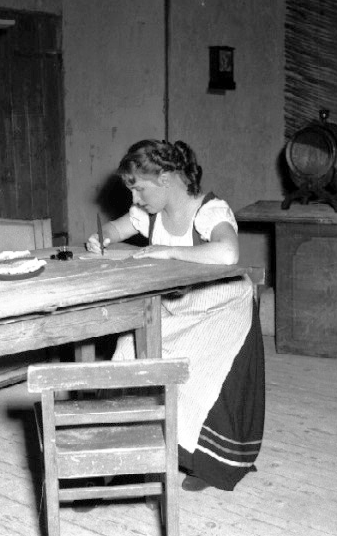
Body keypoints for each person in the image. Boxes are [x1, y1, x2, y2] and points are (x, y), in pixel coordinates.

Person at [86, 139, 265, 492]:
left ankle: (207, 464)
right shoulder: (149, 214)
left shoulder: (210, 211)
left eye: (139, 189)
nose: (134, 198)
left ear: (165, 179)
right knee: (128, 349)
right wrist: (101, 237)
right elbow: (116, 229)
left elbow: (228, 253)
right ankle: (130, 452)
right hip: (177, 304)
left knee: (197, 381)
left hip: (220, 307)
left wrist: (167, 251)